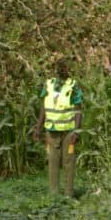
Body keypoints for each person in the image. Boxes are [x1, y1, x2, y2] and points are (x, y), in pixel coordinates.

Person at [36, 60, 82, 197]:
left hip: (68, 131)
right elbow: (43, 107)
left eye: (65, 67)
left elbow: (78, 110)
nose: (62, 70)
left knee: (68, 162)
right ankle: (54, 195)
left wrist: (76, 131)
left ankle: (68, 195)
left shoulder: (73, 85)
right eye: (60, 67)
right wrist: (38, 128)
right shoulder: (49, 84)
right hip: (51, 131)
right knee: (53, 162)